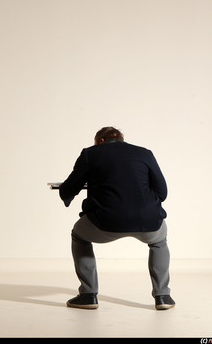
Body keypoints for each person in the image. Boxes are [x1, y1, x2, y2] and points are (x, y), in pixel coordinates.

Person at [58, 126, 175, 310]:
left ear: (100, 141)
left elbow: (69, 187)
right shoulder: (144, 153)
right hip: (148, 221)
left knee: (79, 235)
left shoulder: (91, 153)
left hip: (105, 223)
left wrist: (68, 192)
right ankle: (163, 297)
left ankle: (88, 294)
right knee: (159, 241)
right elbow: (162, 191)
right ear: (120, 139)